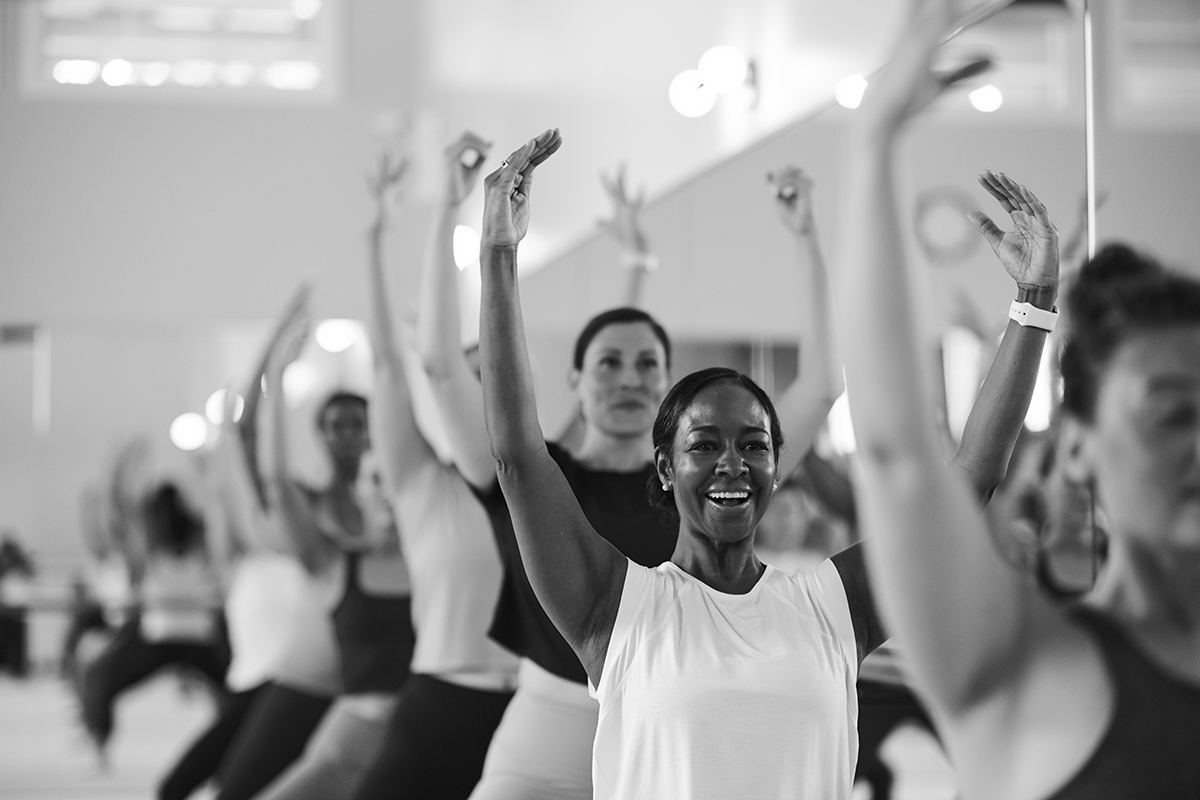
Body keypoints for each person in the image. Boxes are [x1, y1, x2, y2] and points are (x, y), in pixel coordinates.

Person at [835, 1, 1200, 798]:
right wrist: (872, 148)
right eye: (1172, 413)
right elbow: (901, 460)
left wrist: (1038, 300)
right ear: (1077, 446)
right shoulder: (1023, 667)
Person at [422, 130, 844, 798]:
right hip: (548, 729)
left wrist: (807, 238)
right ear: (576, 379)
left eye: (648, 365)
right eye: (608, 364)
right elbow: (441, 366)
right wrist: (464, 221)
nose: (628, 380)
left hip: (673, 725)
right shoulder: (536, 476)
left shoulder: (706, 485)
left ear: (667, 384)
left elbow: (820, 385)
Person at [347, 135, 518, 800]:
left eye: (489, 380)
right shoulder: (420, 484)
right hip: (440, 699)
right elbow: (395, 365)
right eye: (466, 380)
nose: (475, 395)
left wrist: (635, 261)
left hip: (526, 712)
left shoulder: (536, 483)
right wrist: (383, 234)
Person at [248, 295, 414, 800]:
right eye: (373, 480)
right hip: (338, 710)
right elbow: (275, 481)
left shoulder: (432, 550)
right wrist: (274, 373)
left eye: (392, 477)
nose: (383, 489)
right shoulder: (333, 558)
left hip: (421, 726)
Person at [214, 291, 346, 800]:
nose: (346, 436)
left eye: (356, 426)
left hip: (334, 676)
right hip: (281, 670)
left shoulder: (367, 502)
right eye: (334, 426)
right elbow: (250, 436)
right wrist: (274, 359)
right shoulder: (290, 505)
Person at [80, 448, 229, 763]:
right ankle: (99, 741)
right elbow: (129, 512)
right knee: (98, 677)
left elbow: (126, 512)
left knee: (97, 678)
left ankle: (99, 741)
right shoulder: (189, 544)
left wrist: (121, 471)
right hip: (183, 637)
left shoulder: (176, 546)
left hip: (169, 636)